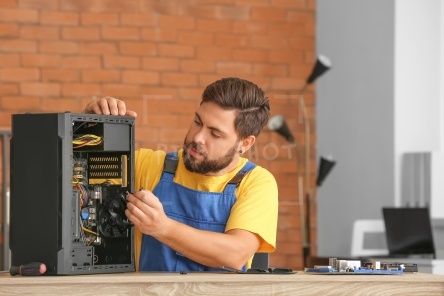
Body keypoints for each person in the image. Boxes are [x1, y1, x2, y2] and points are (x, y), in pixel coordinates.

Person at [84, 77, 278, 272]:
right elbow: (74, 170)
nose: (197, 137)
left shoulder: (255, 182)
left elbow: (235, 255)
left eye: (215, 134)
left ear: (245, 144)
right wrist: (89, 124)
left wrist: (163, 228)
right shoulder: (150, 165)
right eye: (197, 122)